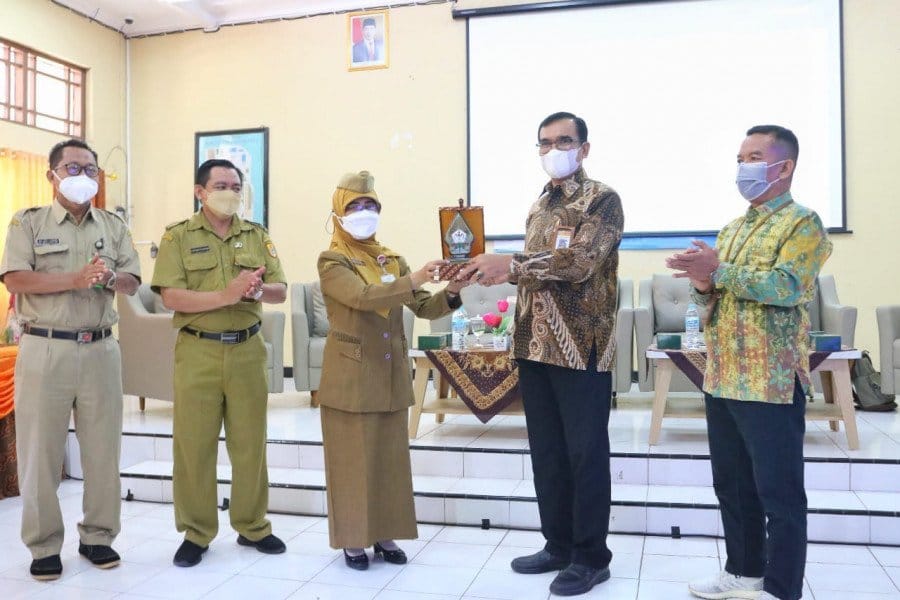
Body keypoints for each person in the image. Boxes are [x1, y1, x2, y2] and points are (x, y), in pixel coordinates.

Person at [458, 112, 623, 597]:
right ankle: (558, 545)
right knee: (547, 454)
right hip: (534, 345)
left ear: (584, 148)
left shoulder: (602, 199)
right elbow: (535, 274)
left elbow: (580, 263)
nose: (554, 150)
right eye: (545, 143)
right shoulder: (539, 205)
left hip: (581, 348)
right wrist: (489, 271)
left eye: (564, 141)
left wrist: (509, 265)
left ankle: (590, 557)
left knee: (585, 455)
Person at [666, 125, 833, 600]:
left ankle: (781, 588)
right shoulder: (732, 229)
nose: (744, 167)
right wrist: (702, 284)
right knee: (733, 486)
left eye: (754, 157)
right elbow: (710, 303)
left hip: (770, 379)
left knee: (779, 492)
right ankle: (742, 572)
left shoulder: (803, 223)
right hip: (722, 375)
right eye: (740, 159)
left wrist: (718, 271)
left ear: (785, 166)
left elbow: (787, 287)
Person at [0, 139, 141, 580]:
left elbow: (134, 281)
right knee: (40, 453)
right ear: (53, 176)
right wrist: (75, 279)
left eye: (90, 169)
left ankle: (98, 536)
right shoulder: (28, 222)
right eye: (73, 168)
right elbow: (16, 278)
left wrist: (111, 278)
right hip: (46, 349)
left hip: (101, 348)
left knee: (103, 452)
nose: (83, 176)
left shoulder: (113, 225)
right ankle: (43, 545)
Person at [317, 171, 466, 570]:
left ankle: (385, 534)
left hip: (389, 373)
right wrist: (415, 278)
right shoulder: (332, 260)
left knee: (389, 462)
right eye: (355, 206)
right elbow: (363, 297)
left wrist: (452, 290)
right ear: (338, 212)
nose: (364, 212)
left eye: (371, 205)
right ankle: (353, 539)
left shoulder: (392, 258)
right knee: (352, 463)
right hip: (351, 377)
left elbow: (424, 306)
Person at [151, 158, 288, 567]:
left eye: (236, 186)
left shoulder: (256, 235)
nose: (230, 193)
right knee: (194, 445)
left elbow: (281, 290)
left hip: (247, 350)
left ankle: (252, 525)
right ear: (200, 192)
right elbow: (171, 297)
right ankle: (196, 532)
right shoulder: (178, 236)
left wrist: (258, 291)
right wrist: (226, 295)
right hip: (199, 351)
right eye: (221, 185)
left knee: (250, 444)